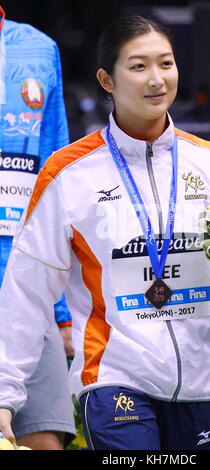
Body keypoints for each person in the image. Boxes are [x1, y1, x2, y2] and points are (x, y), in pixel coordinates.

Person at [0, 15, 210, 450]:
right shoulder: (69, 174)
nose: (157, 79)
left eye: (166, 63)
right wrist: (4, 394)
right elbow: (26, 291)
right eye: (139, 66)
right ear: (106, 79)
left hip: (195, 384)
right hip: (112, 379)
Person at [0, 6, 75, 449]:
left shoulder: (39, 49)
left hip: (29, 283)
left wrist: (62, 309)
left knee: (44, 440)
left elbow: (55, 173)